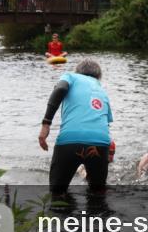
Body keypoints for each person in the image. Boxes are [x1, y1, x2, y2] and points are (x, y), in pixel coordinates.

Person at [38, 58, 113, 195]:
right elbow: (106, 125)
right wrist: (109, 150)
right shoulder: (103, 92)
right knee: (97, 195)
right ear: (98, 76)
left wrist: (46, 123)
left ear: (78, 72)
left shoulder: (71, 76)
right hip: (100, 143)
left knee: (57, 194)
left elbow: (60, 88)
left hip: (70, 141)